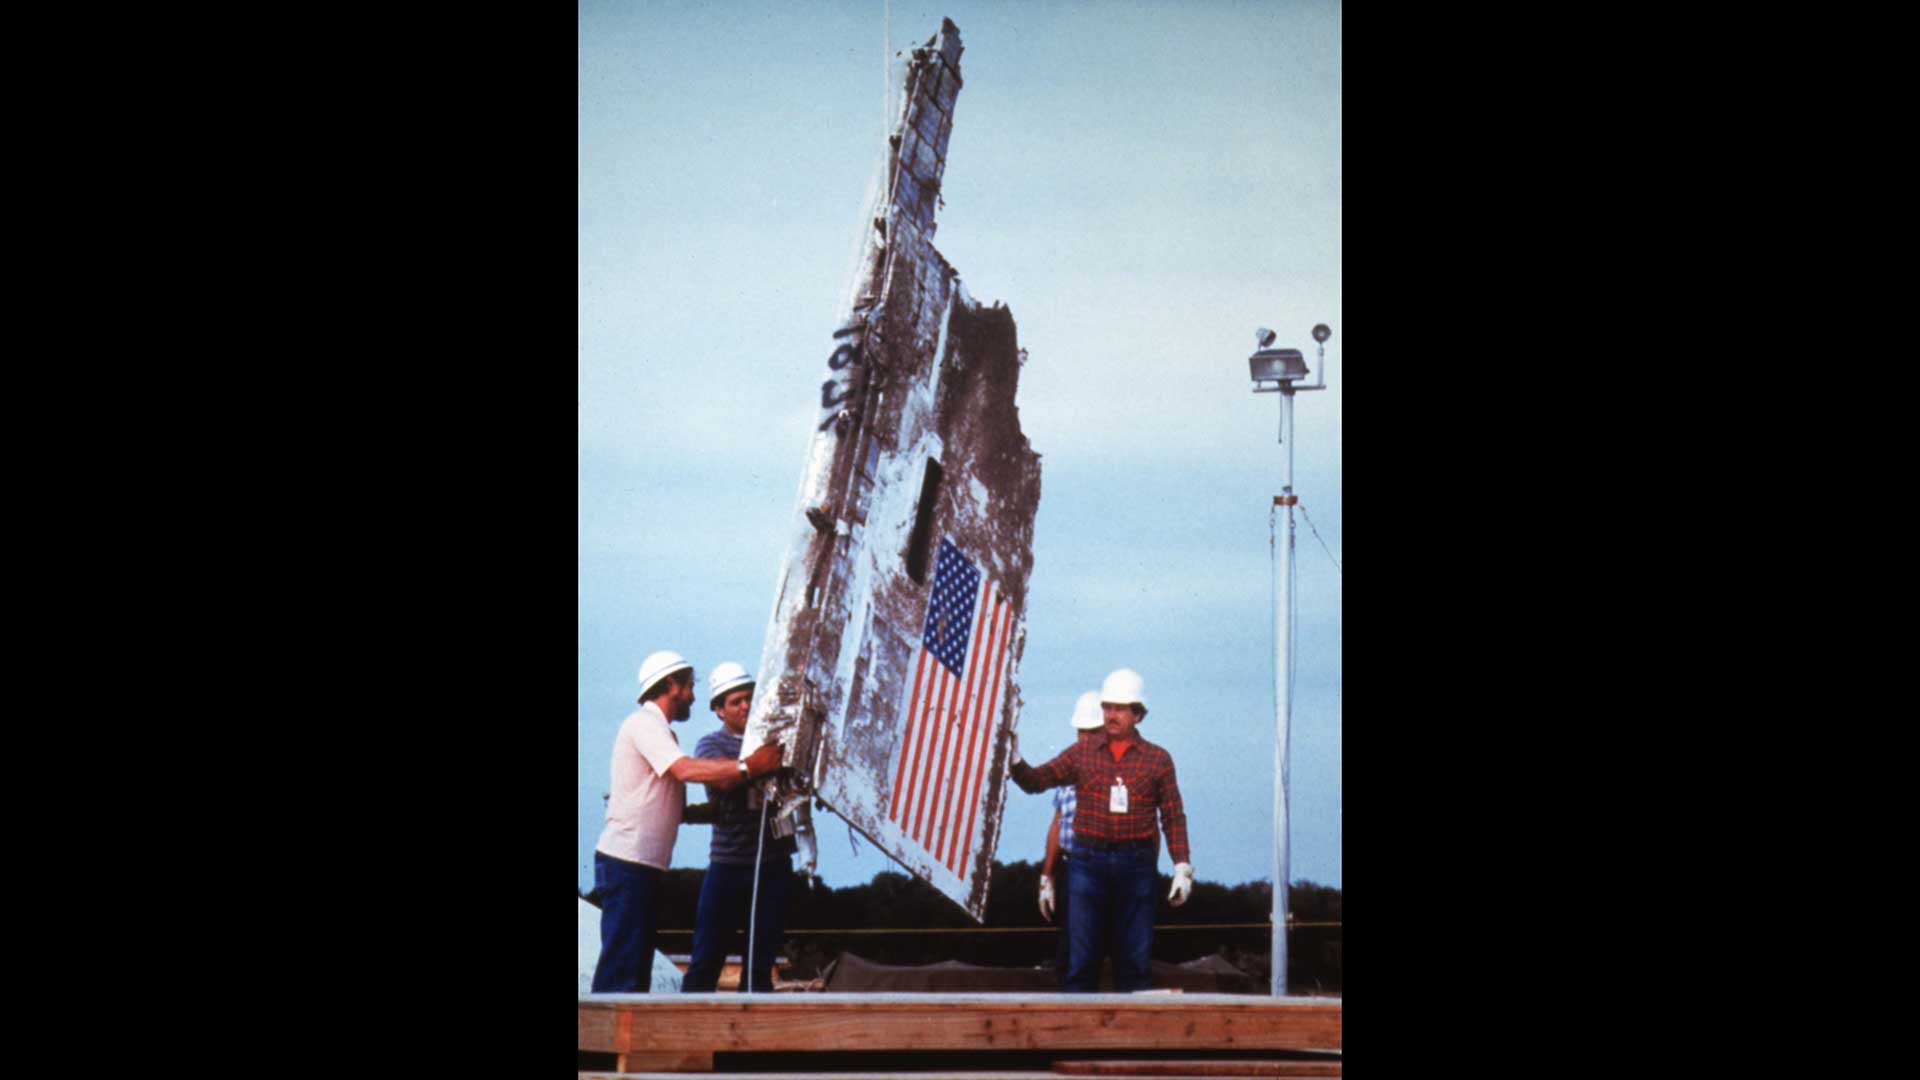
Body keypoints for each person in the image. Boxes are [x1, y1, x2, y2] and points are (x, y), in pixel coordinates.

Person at [590, 650, 784, 993]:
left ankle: (617, 1045)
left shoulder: (662, 733)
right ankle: (599, 1045)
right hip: (629, 863)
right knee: (624, 967)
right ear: (670, 685)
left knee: (633, 966)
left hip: (641, 865)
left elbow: (674, 809)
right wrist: (750, 767)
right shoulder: (644, 725)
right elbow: (685, 769)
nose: (693, 696)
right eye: (690, 687)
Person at [1010, 667, 1193, 993]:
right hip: (1087, 863)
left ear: (1137, 714)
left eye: (1120, 708)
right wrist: (1013, 757)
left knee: (1135, 963)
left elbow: (1173, 815)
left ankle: (1128, 1041)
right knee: (1081, 961)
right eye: (1107, 707)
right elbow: (1037, 781)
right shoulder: (1081, 754)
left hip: (1136, 866)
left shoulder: (1158, 760)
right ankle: (1077, 1041)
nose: (1111, 715)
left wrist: (1182, 866)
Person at [681, 662, 797, 993]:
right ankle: (691, 1035)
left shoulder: (779, 740)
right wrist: (756, 765)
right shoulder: (711, 746)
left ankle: (750, 1042)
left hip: (773, 865)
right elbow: (719, 784)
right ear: (719, 710)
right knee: (707, 957)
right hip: (730, 865)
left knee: (760, 962)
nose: (745, 706)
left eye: (749, 698)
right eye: (735, 701)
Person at [1039, 690, 1104, 985]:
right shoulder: (1068, 769)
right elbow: (1057, 824)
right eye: (1082, 731)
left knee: (1096, 944)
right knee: (1069, 941)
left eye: (1092, 731)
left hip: (1103, 864)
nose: (1085, 738)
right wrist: (1047, 877)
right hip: (1070, 866)